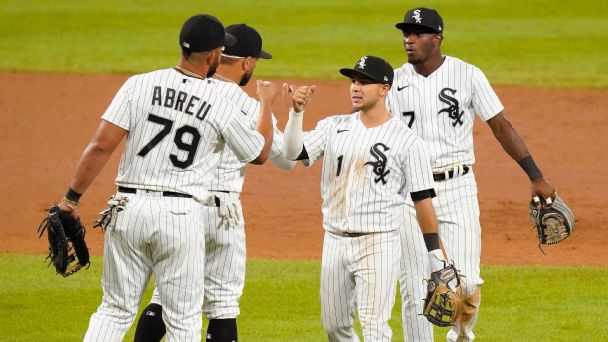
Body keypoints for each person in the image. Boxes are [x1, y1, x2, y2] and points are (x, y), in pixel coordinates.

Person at [55, 14, 277, 341]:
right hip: (181, 216)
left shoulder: (139, 84)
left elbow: (101, 146)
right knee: (183, 321)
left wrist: (70, 199)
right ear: (214, 55)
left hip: (126, 208)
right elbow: (258, 154)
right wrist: (267, 105)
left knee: (114, 309)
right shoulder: (220, 101)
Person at [388, 7, 556, 342]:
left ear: (437, 38)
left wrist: (535, 175)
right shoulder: (391, 82)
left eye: (418, 33)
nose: (409, 39)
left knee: (466, 283)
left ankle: (461, 337)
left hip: (457, 188)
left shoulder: (467, 75)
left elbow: (500, 125)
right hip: (408, 193)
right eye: (406, 33)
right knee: (416, 286)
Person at [133, 23, 295, 342]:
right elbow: (284, 159)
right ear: (247, 62)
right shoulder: (249, 106)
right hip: (223, 214)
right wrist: (277, 108)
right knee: (222, 304)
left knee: (165, 298)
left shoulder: (188, 93)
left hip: (181, 208)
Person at [283, 55, 450, 342]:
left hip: (379, 242)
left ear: (384, 89)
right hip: (334, 240)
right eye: (354, 81)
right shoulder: (334, 126)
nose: (355, 87)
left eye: (365, 82)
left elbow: (423, 201)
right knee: (334, 327)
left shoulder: (408, 142)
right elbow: (292, 152)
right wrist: (296, 113)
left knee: (374, 328)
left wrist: (437, 258)